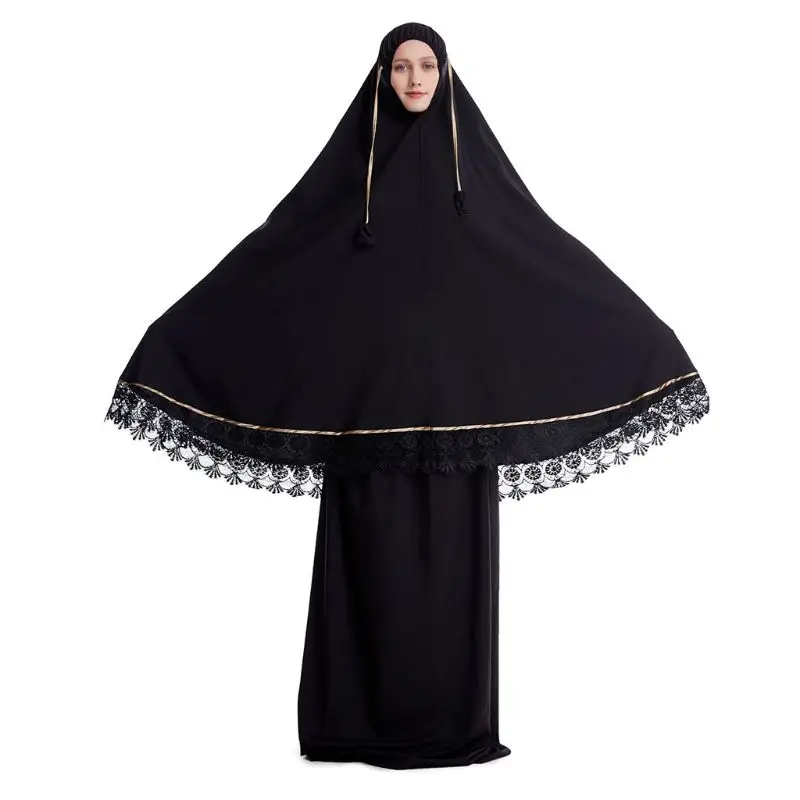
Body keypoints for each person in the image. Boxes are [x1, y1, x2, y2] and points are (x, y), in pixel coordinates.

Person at [104, 21, 710, 769]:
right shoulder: (348, 178)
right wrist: (174, 337)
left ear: (445, 73)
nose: (416, 79)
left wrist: (644, 336)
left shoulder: (476, 182)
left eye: (427, 65)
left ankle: (453, 729)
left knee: (451, 580)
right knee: (366, 574)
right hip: (364, 425)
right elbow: (278, 255)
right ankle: (350, 728)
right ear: (382, 76)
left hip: (458, 429)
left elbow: (543, 256)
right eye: (401, 67)